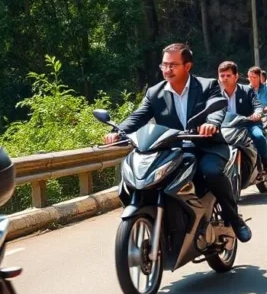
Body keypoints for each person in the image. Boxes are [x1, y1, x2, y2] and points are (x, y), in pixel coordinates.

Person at [104, 43, 251, 242]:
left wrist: (211, 123)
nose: (167, 70)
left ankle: (234, 219)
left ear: (187, 66)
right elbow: (138, 117)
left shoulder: (208, 86)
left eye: (173, 65)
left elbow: (216, 109)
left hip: (205, 147)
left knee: (211, 172)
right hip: (172, 151)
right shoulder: (154, 93)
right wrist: (117, 132)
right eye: (164, 65)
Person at [218, 61, 267, 174]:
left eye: (228, 75)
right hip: (226, 126)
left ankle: (265, 161)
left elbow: (257, 105)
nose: (225, 79)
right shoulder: (216, 94)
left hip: (248, 124)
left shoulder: (247, 90)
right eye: (222, 76)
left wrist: (257, 113)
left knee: (258, 136)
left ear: (236, 76)